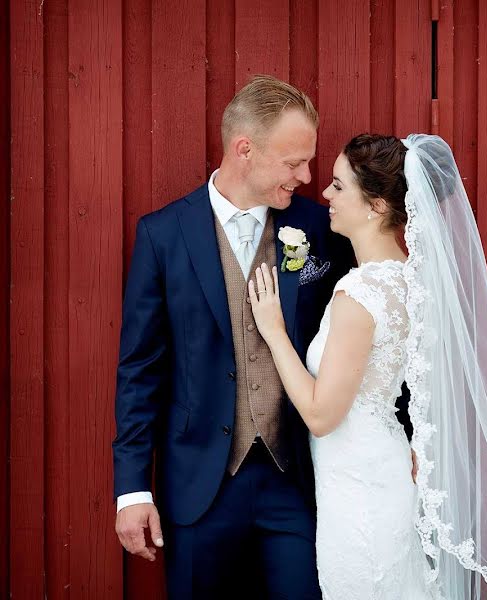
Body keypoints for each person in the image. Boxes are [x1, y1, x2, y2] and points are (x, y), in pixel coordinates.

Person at [112, 75, 411, 598]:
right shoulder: (162, 235)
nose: (308, 176)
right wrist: (132, 490)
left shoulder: (324, 227)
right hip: (199, 486)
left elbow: (379, 338)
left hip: (296, 480)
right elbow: (140, 369)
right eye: (294, 162)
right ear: (244, 150)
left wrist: (407, 432)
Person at [248, 133, 487, 599]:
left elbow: (323, 416)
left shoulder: (359, 295)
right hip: (379, 467)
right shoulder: (410, 281)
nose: (325, 194)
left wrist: (274, 331)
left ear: (377, 205)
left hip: (360, 489)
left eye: (339, 187)